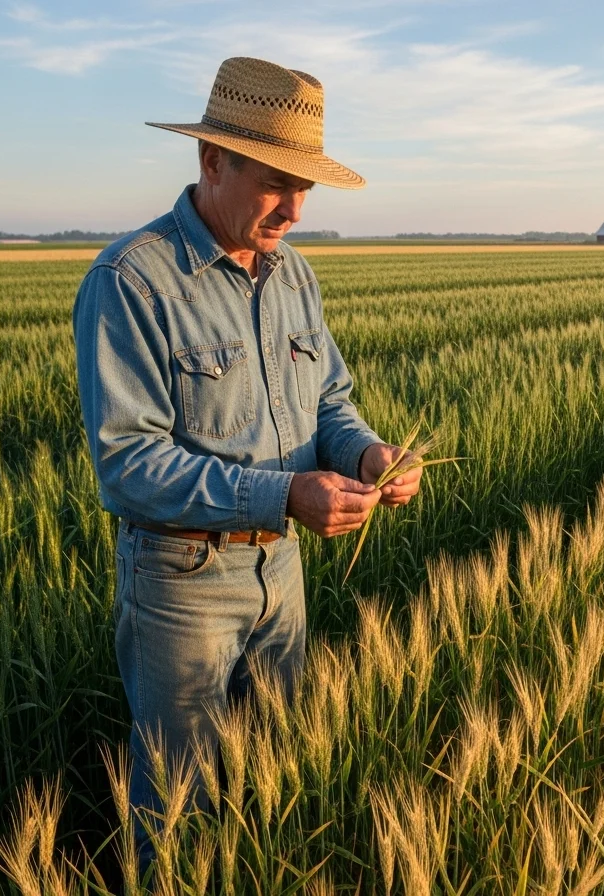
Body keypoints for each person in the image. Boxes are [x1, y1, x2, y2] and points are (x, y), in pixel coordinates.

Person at [71, 56, 421, 872]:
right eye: (276, 182)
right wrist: (284, 492)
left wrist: (369, 454)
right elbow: (127, 463)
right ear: (212, 161)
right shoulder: (131, 281)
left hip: (284, 577)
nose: (295, 209)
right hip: (182, 585)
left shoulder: (294, 275)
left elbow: (329, 402)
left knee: (273, 791)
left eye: (307, 188)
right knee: (179, 815)